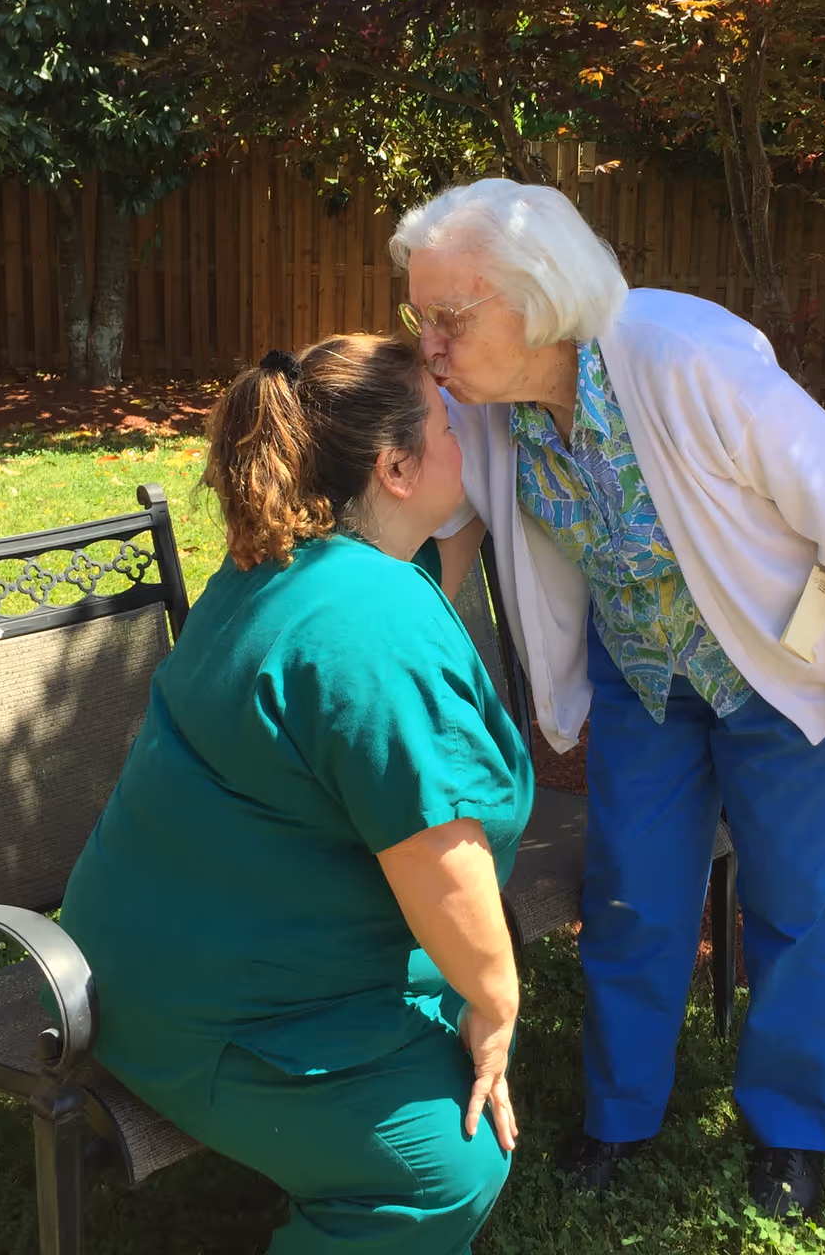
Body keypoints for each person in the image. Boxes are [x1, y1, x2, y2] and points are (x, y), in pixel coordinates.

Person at [388, 180, 825, 1219]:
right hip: (645, 680)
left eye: (451, 319)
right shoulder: (486, 413)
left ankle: (790, 1132)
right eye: (420, 317)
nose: (432, 346)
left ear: (536, 304)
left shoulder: (678, 358)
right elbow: (445, 522)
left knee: (798, 907)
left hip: (778, 672)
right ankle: (618, 1116)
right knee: (632, 899)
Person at [58, 334, 534, 1255]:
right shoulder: (370, 632)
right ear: (396, 469)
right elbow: (440, 856)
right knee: (443, 1164)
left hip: (141, 954)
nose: (464, 432)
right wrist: (497, 1002)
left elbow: (437, 563)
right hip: (208, 1015)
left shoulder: (292, 561)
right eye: (448, 422)